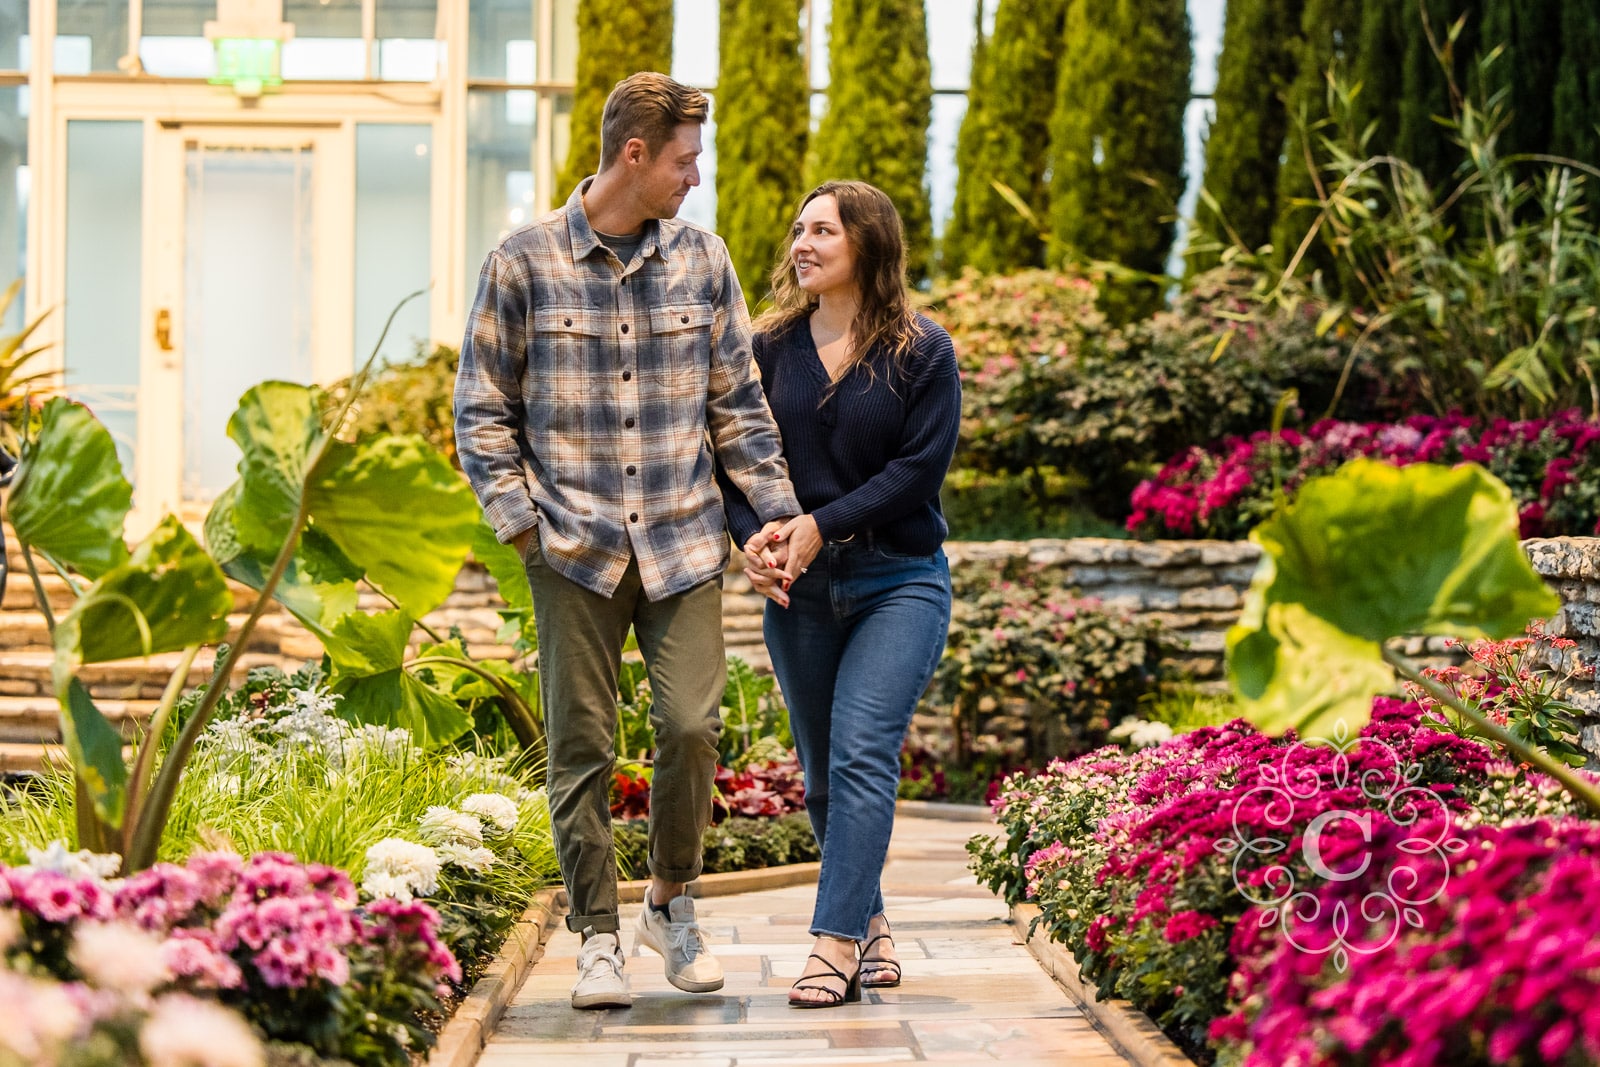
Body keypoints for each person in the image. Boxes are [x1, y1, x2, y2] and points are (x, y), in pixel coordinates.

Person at [454, 71, 801, 1011]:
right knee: (583, 745)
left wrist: (772, 519)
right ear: (635, 155)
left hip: (685, 541)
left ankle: (670, 902)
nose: (697, 177)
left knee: (691, 726)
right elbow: (480, 413)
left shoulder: (705, 260)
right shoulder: (521, 262)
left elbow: (739, 405)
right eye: (686, 160)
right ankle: (597, 935)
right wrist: (523, 524)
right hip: (573, 547)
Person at [721, 180, 962, 1008]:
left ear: (868, 242)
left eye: (822, 229)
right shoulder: (766, 347)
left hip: (900, 578)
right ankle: (870, 921)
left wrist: (823, 521)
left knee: (862, 750)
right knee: (822, 774)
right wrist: (750, 537)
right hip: (801, 591)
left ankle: (831, 943)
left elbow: (917, 471)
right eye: (798, 229)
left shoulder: (923, 351)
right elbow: (730, 458)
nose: (803, 242)